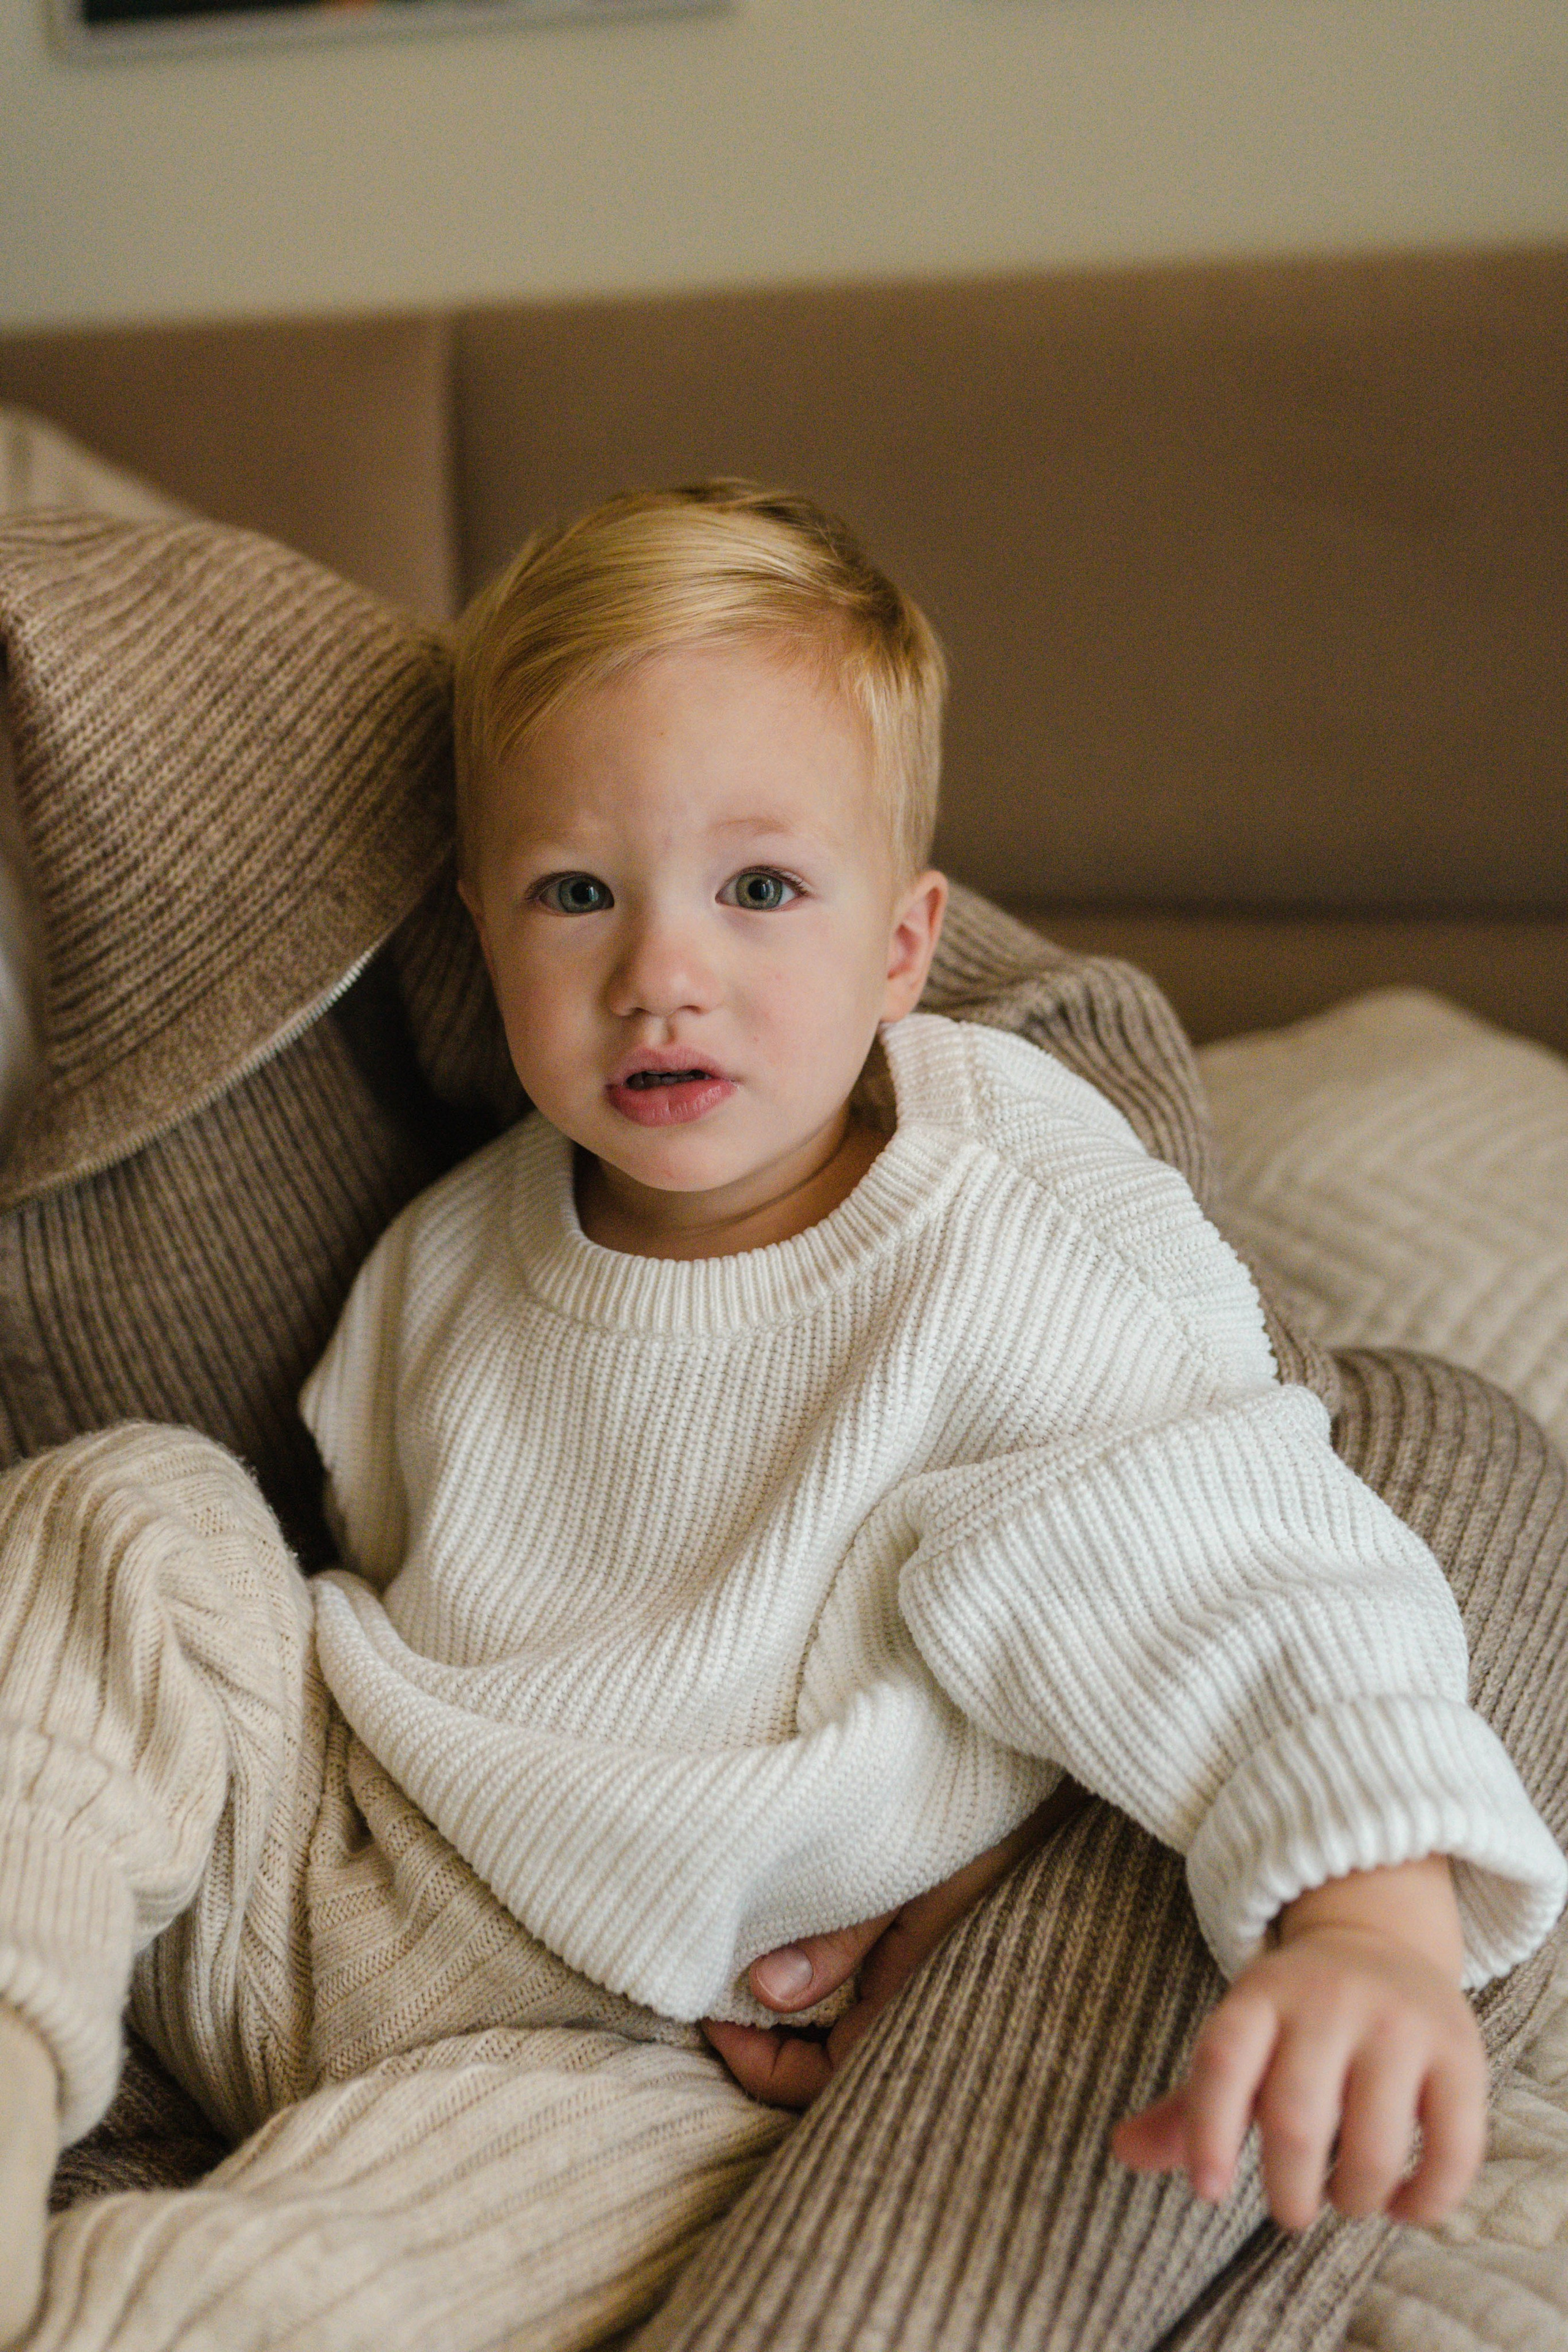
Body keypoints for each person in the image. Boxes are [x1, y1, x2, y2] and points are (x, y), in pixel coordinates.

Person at [0, 481, 1562, 2352]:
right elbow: (367, 1574)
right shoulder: (443, 1253)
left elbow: (1242, 1563)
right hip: (322, 1884)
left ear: (903, 946)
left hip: (648, 2026)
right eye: (578, 893)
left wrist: (1371, 1929)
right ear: (484, 937)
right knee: (124, 1512)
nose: (662, 973)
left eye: (758, 892)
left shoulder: (987, 1231)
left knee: (238, 2299)